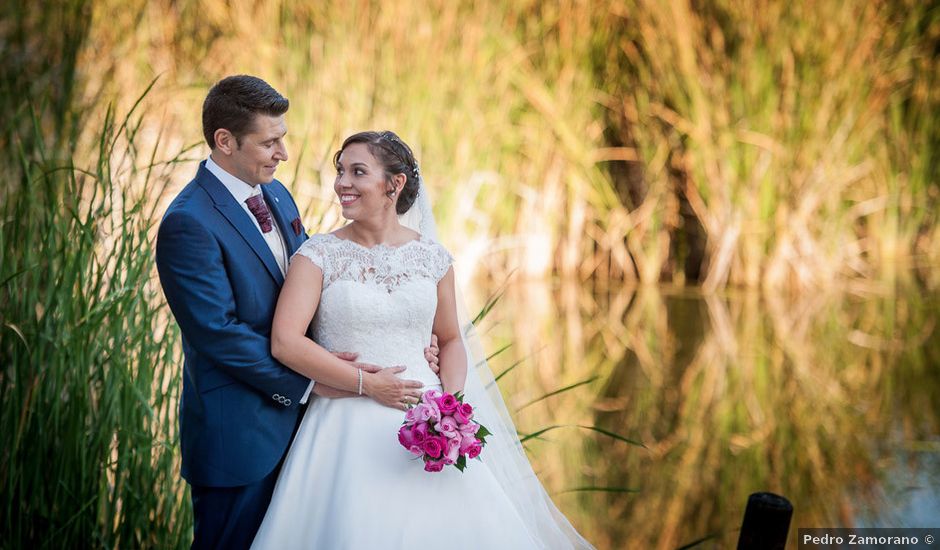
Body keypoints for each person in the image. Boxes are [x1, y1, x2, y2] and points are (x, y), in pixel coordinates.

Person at [251, 131, 592, 549]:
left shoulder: (432, 257)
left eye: (358, 172)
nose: (342, 183)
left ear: (393, 185)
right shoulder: (317, 255)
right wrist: (365, 383)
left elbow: (449, 340)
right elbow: (285, 342)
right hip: (342, 429)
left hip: (422, 422)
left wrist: (450, 408)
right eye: (340, 171)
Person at [155, 76, 439, 549]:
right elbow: (217, 333)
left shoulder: (276, 194)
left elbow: (320, 288)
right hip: (241, 434)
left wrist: (409, 338)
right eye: (269, 142)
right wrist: (313, 382)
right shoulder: (189, 221)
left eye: (282, 138)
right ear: (224, 141)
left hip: (315, 434)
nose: (282, 153)